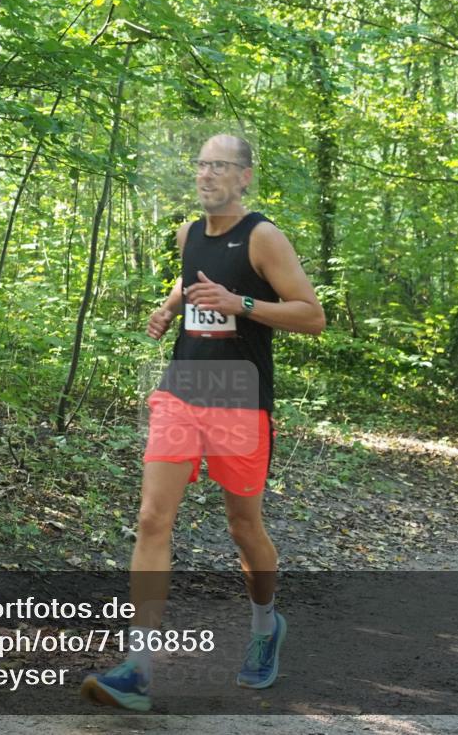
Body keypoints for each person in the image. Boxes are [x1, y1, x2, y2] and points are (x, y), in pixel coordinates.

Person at [80, 134, 325, 711]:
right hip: (184, 389)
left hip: (240, 397)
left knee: (243, 527)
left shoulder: (263, 237)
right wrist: (170, 307)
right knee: (150, 517)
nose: (207, 174)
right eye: (202, 165)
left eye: (221, 166)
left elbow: (312, 316)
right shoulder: (189, 233)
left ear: (244, 178)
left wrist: (241, 304)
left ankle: (266, 626)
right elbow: (192, 278)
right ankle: (138, 667)